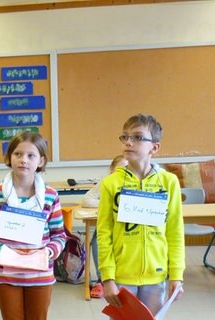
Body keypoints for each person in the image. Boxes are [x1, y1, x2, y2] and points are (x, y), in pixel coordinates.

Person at [97, 114, 185, 315]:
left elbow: (175, 232)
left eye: (137, 137)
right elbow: (104, 233)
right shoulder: (111, 183)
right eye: (125, 137)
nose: (129, 142)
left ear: (154, 147)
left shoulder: (169, 182)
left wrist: (176, 275)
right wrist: (108, 278)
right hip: (122, 276)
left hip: (157, 276)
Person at [0, 131, 67, 320]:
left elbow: (59, 235)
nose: (23, 160)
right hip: (7, 275)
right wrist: (0, 249)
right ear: (10, 157)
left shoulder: (50, 195)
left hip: (39, 275)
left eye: (31, 155)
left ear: (41, 161)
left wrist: (49, 252)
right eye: (18, 154)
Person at [81, 155, 128, 299]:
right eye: (119, 170)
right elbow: (87, 200)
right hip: (108, 224)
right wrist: (110, 206)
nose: (123, 173)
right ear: (111, 170)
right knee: (97, 239)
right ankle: (102, 280)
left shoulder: (136, 182)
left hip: (128, 228)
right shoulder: (106, 182)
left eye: (126, 169)